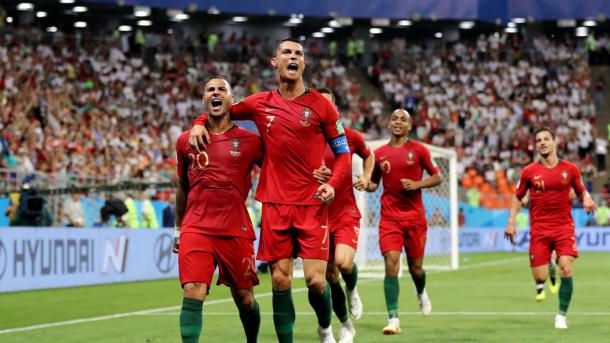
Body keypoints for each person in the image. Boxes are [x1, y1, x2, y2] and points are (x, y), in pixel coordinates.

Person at [189, 39, 352, 343]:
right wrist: (199, 122)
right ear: (274, 62)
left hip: (313, 202)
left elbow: (343, 154)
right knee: (279, 279)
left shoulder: (322, 106)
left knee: (317, 282)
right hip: (275, 204)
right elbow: (222, 108)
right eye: (286, 53)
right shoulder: (259, 103)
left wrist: (332, 183)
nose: (293, 57)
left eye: (299, 54)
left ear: (304, 64)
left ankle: (325, 327)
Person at [173, 76, 263, 343]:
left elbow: (279, 170)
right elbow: (182, 187)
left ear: (231, 100)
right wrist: (178, 229)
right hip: (196, 226)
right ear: (204, 100)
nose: (215, 93)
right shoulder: (185, 141)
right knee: (193, 289)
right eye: (210, 90)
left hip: (235, 228)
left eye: (221, 89)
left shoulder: (251, 142)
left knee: (244, 298)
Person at [504, 126, 597, 329]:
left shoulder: (570, 168)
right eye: (539, 140)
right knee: (540, 277)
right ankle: (549, 268)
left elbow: (581, 190)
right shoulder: (528, 171)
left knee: (566, 266)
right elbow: (517, 196)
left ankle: (561, 315)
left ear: (555, 142)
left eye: (546, 139)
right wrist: (511, 221)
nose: (543, 142)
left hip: (563, 227)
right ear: (535, 146)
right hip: (539, 230)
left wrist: (587, 199)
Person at [364, 109, 442, 335]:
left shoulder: (419, 150)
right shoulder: (378, 154)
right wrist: (365, 184)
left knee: (416, 269)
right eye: (395, 118)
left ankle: (420, 291)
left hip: (415, 219)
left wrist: (417, 185)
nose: (398, 122)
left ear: (409, 126)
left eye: (403, 120)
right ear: (389, 124)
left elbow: (438, 176)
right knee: (391, 263)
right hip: (389, 218)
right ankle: (393, 318)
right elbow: (374, 185)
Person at [313, 88, 375, 343]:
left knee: (344, 263)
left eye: (327, 105)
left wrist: (367, 175)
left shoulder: (349, 137)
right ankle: (345, 325)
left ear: (335, 109)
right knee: (328, 276)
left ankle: (352, 288)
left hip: (345, 211)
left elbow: (369, 156)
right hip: (317, 214)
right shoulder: (307, 138)